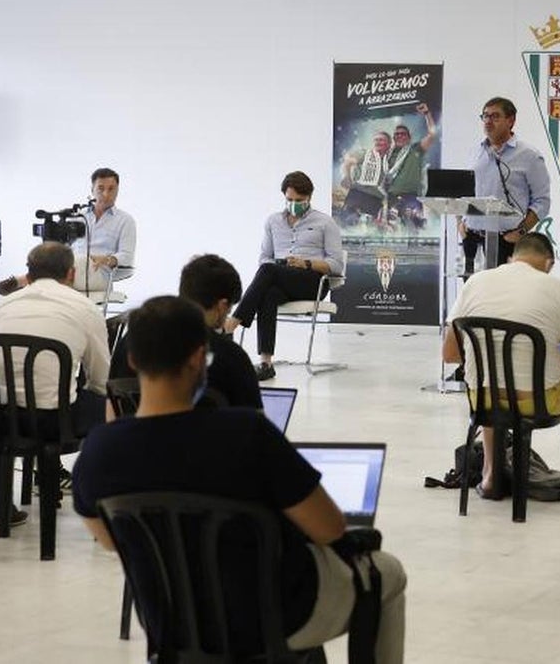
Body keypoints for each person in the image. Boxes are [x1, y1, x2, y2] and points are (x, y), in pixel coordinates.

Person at [72, 296, 406, 661]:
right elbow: (329, 528)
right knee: (387, 572)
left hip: (170, 622)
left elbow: (111, 540)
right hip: (274, 619)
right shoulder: (247, 433)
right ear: (199, 358)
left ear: (133, 360)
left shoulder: (99, 450)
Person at [442, 232, 560, 498]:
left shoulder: (475, 282)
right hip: (536, 402)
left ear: (511, 258)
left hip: (483, 401)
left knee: (491, 380)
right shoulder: (558, 288)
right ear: (549, 263)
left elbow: (449, 354)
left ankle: (491, 475)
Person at [0, 242, 110, 525]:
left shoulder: (1, 306)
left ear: (28, 274)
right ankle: (95, 499)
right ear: (71, 274)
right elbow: (100, 378)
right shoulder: (85, 308)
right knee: (106, 405)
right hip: (53, 422)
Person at [224, 171, 344, 381]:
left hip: (311, 281)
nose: (294, 204)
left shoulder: (325, 223)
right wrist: (281, 265)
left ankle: (233, 322)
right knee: (268, 293)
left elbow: (336, 265)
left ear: (309, 197)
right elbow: (265, 257)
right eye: (290, 199)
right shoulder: (273, 222)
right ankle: (266, 363)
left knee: (268, 271)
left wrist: (306, 263)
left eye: (299, 200)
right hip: (280, 277)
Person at [109, 254, 261, 412]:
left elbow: (112, 410)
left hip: (133, 428)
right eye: (229, 310)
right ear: (222, 306)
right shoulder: (232, 357)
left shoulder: (131, 342)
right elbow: (254, 421)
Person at [0, 167, 137, 296]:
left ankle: (24, 281)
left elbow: (127, 256)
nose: (106, 194)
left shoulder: (125, 220)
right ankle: (28, 285)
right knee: (54, 258)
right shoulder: (77, 216)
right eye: (101, 188)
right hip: (68, 270)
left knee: (80, 260)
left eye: (111, 189)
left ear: (118, 190)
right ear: (92, 190)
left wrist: (108, 259)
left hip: (99, 274)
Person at [460, 97, 550, 272]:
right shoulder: (475, 151)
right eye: (485, 116)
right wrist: (461, 223)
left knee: (503, 289)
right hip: (472, 239)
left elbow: (542, 201)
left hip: (507, 240)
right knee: (474, 289)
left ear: (511, 120)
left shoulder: (529, 155)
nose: (488, 121)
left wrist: (521, 232)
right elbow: (464, 192)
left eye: (495, 116)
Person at [384, 103, 438, 201]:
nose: (399, 136)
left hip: (411, 197)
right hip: (391, 196)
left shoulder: (416, 148)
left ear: (409, 138)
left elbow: (432, 134)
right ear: (393, 138)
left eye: (403, 134)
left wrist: (427, 114)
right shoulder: (388, 155)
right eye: (397, 134)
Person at [341, 130, 393, 223]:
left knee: (368, 227)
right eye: (376, 140)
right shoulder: (365, 154)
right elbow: (348, 162)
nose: (378, 142)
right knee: (348, 222)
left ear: (389, 144)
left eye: (381, 140)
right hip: (358, 194)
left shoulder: (389, 161)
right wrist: (347, 178)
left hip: (375, 198)